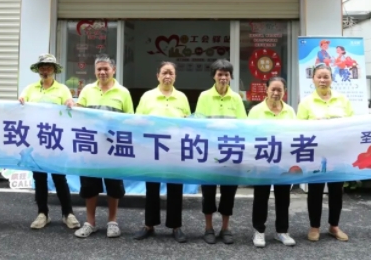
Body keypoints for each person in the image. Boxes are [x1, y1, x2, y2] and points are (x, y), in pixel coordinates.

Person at [74, 54, 134, 238]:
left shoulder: (123, 92)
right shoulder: (87, 90)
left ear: (113, 70)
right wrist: (72, 105)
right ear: (95, 71)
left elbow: (130, 119)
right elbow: (78, 114)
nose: (102, 72)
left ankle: (112, 222)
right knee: (89, 185)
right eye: (99, 69)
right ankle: (90, 223)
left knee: (113, 186)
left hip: (113, 147)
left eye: (106, 69)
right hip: (90, 146)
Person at [18, 54, 80, 231]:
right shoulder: (29, 89)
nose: (45, 70)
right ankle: (42, 213)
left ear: (54, 70)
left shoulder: (62, 89)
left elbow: (69, 105)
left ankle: (68, 213)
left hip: (55, 139)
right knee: (39, 178)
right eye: (42, 67)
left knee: (59, 177)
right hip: (35, 140)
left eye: (49, 67)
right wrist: (20, 102)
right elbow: (21, 106)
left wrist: (70, 103)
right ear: (38, 70)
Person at [133, 62, 191, 243]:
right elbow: (137, 121)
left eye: (171, 73)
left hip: (175, 149)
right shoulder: (147, 97)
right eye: (164, 72)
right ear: (157, 75)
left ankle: (175, 226)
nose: (167, 76)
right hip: (152, 148)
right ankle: (149, 224)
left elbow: (188, 123)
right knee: (152, 187)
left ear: (175, 76)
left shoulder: (182, 98)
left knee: (175, 187)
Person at [297, 63, 353, 242]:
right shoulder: (306, 102)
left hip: (338, 153)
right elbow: (299, 128)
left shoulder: (342, 100)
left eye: (326, 76)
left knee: (336, 190)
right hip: (316, 153)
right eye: (319, 77)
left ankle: (334, 226)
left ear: (331, 79)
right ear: (313, 79)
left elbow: (352, 125)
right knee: (315, 190)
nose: (322, 80)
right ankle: (314, 227)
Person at [195, 59, 247, 245]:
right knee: (208, 192)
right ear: (214, 76)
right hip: (209, 153)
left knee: (228, 192)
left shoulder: (236, 98)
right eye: (220, 74)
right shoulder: (204, 97)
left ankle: (226, 228)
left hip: (231, 152)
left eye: (226, 74)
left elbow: (243, 124)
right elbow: (199, 123)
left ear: (231, 77)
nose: (223, 78)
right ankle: (208, 228)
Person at [247, 77, 296, 248]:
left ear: (285, 92)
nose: (276, 93)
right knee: (261, 196)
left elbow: (295, 135)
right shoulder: (256, 111)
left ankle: (282, 231)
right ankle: (259, 231)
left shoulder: (290, 111)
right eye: (273, 89)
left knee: (283, 197)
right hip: (262, 160)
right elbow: (249, 136)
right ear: (266, 90)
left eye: (279, 90)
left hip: (283, 161)